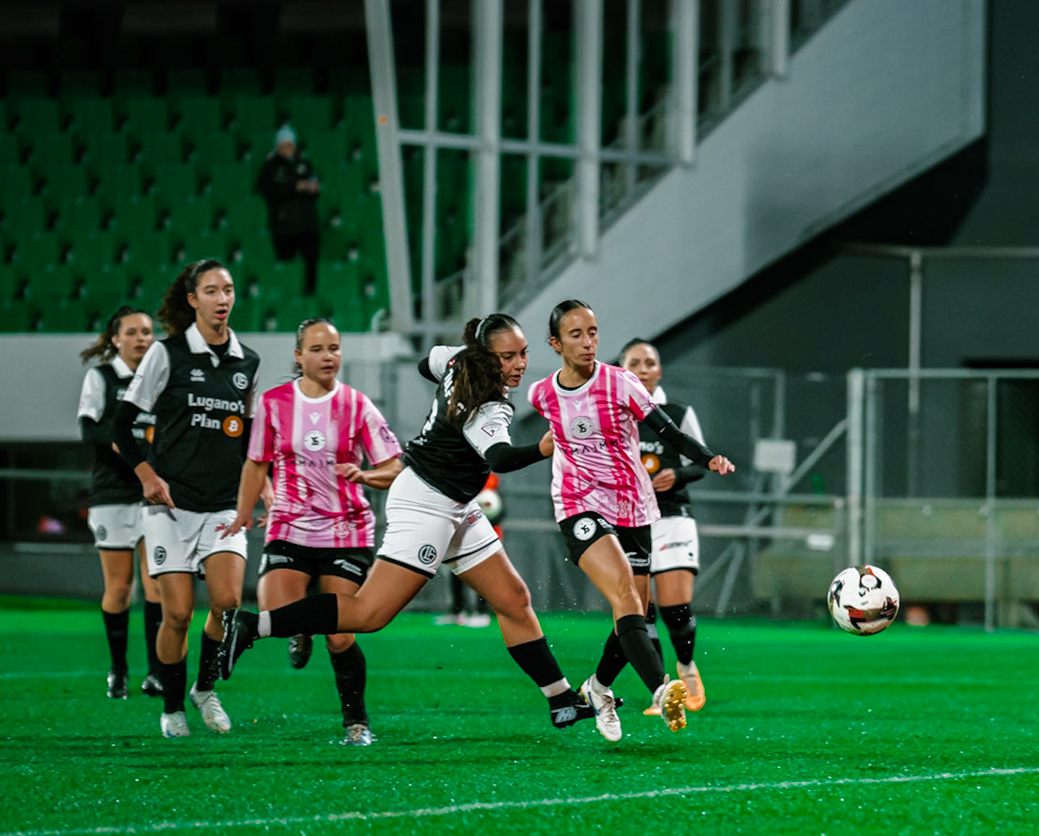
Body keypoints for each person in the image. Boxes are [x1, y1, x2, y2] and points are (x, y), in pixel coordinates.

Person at [219, 314, 615, 740]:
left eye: (523, 353)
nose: (518, 363)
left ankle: (560, 700)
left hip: (451, 501)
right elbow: (499, 458)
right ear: (485, 356)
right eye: (507, 356)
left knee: (513, 598)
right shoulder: (489, 403)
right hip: (426, 504)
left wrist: (457, 366)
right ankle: (248, 626)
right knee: (368, 614)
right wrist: (542, 446)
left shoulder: (459, 359)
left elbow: (426, 363)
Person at [530, 302, 735, 736]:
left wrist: (708, 457)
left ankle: (598, 687)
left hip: (633, 508)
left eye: (593, 332)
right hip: (578, 506)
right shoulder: (542, 393)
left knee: (634, 613)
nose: (588, 342)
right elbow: (544, 443)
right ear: (554, 343)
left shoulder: (621, 383)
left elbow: (669, 433)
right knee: (626, 597)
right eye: (575, 335)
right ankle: (663, 689)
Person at [223, 318, 403, 745]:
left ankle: (356, 722)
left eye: (335, 348)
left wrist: (364, 474)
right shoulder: (274, 403)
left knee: (341, 637)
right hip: (290, 525)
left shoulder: (357, 404)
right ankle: (300, 625)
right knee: (274, 609)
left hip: (347, 530)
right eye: (319, 349)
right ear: (298, 355)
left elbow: (394, 466)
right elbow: (255, 464)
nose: (328, 357)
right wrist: (241, 514)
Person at [117, 259, 262, 739]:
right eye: (211, 290)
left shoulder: (248, 361)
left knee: (225, 602)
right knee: (177, 613)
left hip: (222, 505)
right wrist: (146, 475)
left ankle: (205, 687)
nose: (223, 299)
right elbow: (121, 425)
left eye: (229, 289)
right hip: (170, 507)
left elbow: (249, 441)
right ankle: (173, 707)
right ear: (192, 300)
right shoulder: (167, 354)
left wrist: (263, 490)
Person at [78, 305, 164, 699]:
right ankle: (118, 669)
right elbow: (88, 428)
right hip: (112, 492)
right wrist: (122, 446)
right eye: (132, 332)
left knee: (157, 586)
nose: (141, 338)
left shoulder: (161, 378)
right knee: (119, 588)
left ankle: (157, 671)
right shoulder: (103, 377)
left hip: (153, 494)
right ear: (116, 338)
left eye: (147, 331)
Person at [619, 338, 709, 714]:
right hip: (628, 521)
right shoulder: (613, 414)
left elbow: (701, 461)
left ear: (659, 370)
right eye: (635, 363)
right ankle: (663, 689)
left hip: (672, 518)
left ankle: (686, 666)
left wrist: (677, 473)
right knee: (642, 611)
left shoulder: (677, 412)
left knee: (675, 608)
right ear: (623, 370)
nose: (643, 369)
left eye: (650, 363)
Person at [256, 125, 321, 296]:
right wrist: (294, 187)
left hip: (306, 223)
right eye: (283, 146)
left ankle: (310, 294)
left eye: (290, 145)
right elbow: (267, 191)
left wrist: (313, 189)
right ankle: (287, 298)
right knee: (287, 264)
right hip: (284, 225)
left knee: (311, 261)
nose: (287, 149)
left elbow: (314, 187)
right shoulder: (271, 167)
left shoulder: (303, 164)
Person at [438, 473, 503, 629]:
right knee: (457, 573)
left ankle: (481, 612)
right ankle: (457, 610)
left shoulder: (491, 481)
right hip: (461, 535)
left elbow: (498, 511)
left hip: (485, 536)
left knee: (484, 576)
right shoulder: (460, 478)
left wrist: (484, 516)